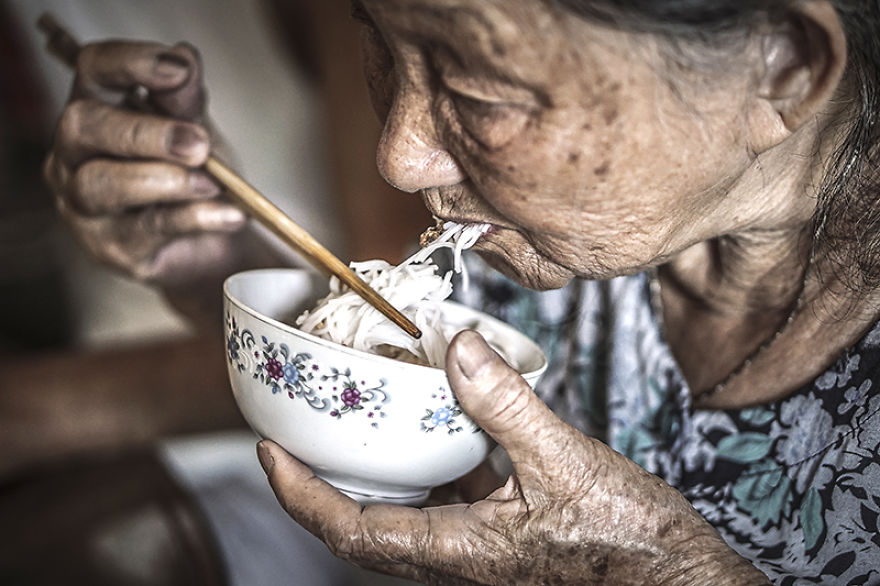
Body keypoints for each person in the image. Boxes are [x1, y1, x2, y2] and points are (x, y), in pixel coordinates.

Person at [43, 0, 880, 583]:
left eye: (482, 94)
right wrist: (210, 252)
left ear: (782, 66)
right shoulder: (541, 243)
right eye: (374, 33)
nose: (399, 157)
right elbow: (377, 379)